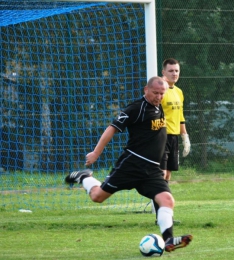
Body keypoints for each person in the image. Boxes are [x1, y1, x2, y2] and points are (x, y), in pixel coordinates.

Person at [65, 76, 192, 252]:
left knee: (167, 199)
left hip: (152, 170)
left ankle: (168, 239)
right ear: (145, 90)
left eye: (162, 93)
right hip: (131, 165)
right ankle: (85, 177)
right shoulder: (135, 108)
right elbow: (112, 128)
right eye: (155, 93)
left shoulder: (158, 106)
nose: (159, 97)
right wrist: (96, 153)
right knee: (98, 197)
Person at [152, 58, 191, 224]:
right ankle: (161, 215)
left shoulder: (179, 92)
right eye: (171, 71)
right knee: (160, 174)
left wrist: (185, 137)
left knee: (167, 175)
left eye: (176, 71)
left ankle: (164, 212)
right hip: (161, 137)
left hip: (174, 137)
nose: (174, 74)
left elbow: (180, 117)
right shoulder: (161, 91)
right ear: (163, 72)